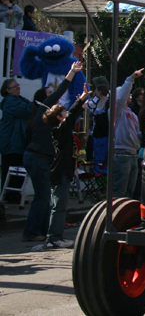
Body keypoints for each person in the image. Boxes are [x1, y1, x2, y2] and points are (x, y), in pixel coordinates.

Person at [22, 61, 81, 243]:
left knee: (45, 196)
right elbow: (60, 91)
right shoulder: (43, 113)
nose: (53, 97)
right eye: (48, 94)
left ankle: (41, 230)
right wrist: (72, 73)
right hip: (37, 158)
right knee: (43, 196)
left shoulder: (52, 121)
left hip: (41, 158)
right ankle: (31, 232)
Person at [43, 83, 91, 249]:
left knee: (59, 206)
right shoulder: (59, 130)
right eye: (63, 111)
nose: (66, 112)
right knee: (59, 206)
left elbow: (71, 117)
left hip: (63, 171)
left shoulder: (60, 131)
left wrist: (80, 106)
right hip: (60, 172)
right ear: (58, 117)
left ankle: (54, 236)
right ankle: (53, 238)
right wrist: (81, 100)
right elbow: (70, 118)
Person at [0, 78, 33, 203]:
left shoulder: (19, 100)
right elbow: (27, 110)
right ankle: (10, 195)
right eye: (14, 86)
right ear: (8, 90)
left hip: (16, 141)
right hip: (11, 142)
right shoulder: (10, 102)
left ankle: (13, 195)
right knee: (12, 168)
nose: (18, 88)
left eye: (18, 85)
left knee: (18, 169)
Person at [114, 69, 144, 199]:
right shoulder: (116, 112)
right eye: (126, 93)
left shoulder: (133, 115)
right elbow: (120, 99)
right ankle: (114, 212)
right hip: (121, 155)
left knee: (129, 194)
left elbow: (137, 134)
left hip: (133, 155)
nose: (129, 95)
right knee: (119, 192)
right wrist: (130, 79)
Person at [87, 76, 110, 165]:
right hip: (96, 134)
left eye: (96, 90)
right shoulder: (97, 101)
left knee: (103, 157)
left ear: (100, 91)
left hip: (104, 135)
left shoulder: (108, 102)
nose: (95, 91)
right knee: (95, 156)